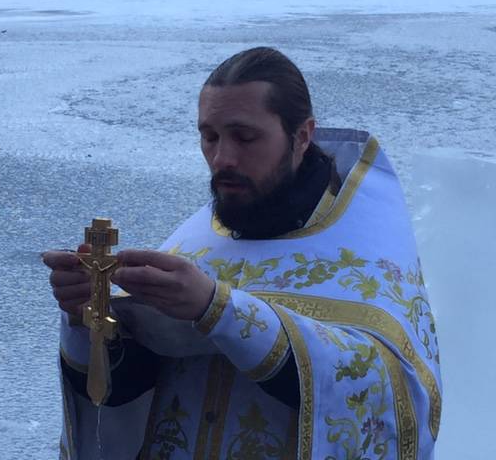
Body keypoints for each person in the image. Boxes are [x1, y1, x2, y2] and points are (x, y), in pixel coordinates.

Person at [43, 47, 441, 459]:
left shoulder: (367, 249)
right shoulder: (194, 242)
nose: (222, 158)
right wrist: (88, 318)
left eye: (245, 137)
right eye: (209, 136)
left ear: (302, 135)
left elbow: (391, 396)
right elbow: (129, 395)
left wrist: (219, 310)